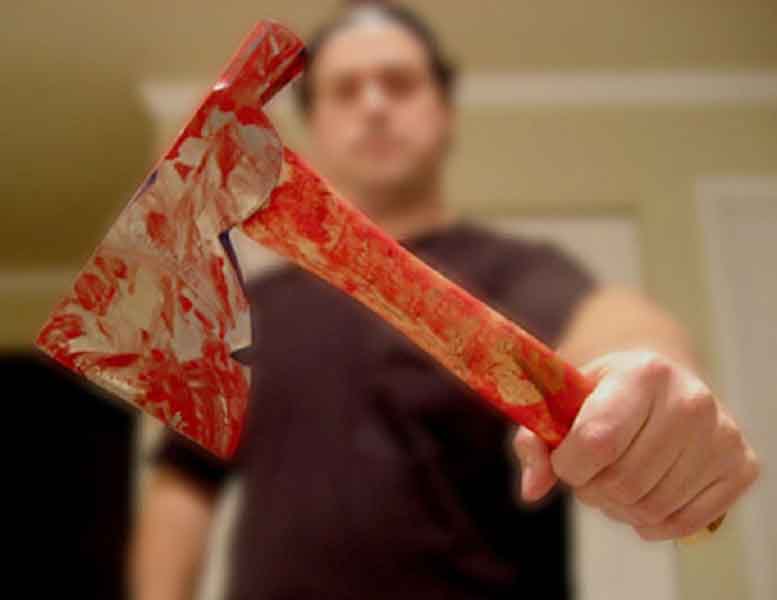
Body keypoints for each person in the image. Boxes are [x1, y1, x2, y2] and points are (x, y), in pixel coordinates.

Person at [129, 4, 760, 599]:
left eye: (399, 83)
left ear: (445, 112)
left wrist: (649, 380)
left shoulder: (520, 271)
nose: (374, 105)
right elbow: (182, 492)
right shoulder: (242, 309)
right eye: (345, 90)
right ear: (313, 123)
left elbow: (613, 325)